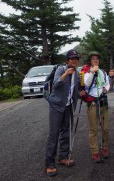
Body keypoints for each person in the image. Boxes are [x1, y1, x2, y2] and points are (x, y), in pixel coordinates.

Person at [45, 49, 83, 177]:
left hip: (68, 107)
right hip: (56, 106)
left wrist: (82, 94)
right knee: (53, 134)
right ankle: (49, 163)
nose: (74, 60)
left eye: (76, 58)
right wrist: (65, 74)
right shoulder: (61, 69)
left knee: (66, 132)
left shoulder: (77, 74)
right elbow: (55, 85)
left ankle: (63, 157)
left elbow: (75, 91)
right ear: (67, 60)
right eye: (72, 58)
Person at [84, 51, 111, 163]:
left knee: (105, 128)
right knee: (93, 129)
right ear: (90, 61)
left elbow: (107, 83)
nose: (95, 60)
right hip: (93, 103)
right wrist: (92, 72)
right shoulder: (87, 73)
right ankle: (95, 151)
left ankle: (104, 147)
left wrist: (107, 89)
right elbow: (87, 84)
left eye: (97, 59)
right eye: (93, 59)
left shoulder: (103, 73)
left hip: (103, 101)